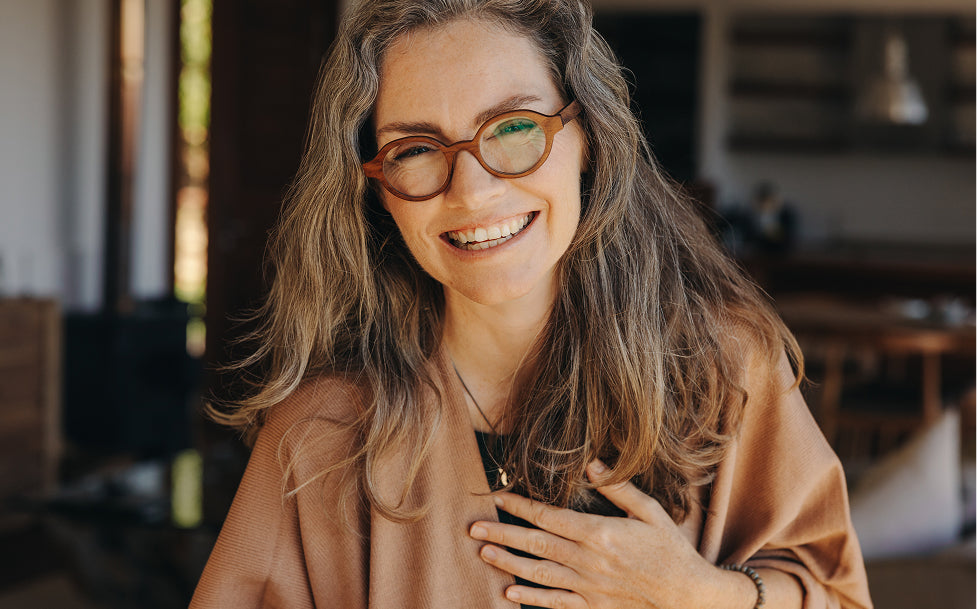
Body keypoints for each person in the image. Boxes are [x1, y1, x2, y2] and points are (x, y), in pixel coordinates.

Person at [190, 1, 872, 608]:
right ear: (375, 187)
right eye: (416, 148)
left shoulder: (722, 368)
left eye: (513, 127)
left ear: (587, 138)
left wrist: (696, 594)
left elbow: (834, 592)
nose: (472, 190)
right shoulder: (320, 432)